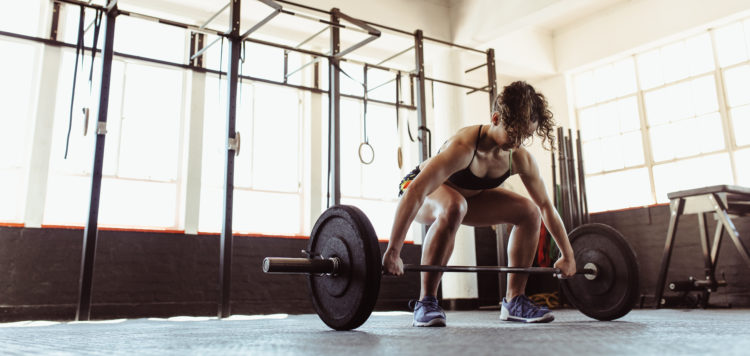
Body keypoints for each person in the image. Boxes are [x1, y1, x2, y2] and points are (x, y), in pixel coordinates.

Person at [382, 81, 577, 327]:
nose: (517, 143)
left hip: (466, 199)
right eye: (514, 133)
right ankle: (426, 301)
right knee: (454, 205)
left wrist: (567, 255)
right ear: (496, 118)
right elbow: (416, 192)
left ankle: (514, 300)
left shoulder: (519, 158)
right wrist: (393, 251)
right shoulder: (463, 147)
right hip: (417, 190)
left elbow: (546, 206)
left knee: (529, 211)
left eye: (524, 137)